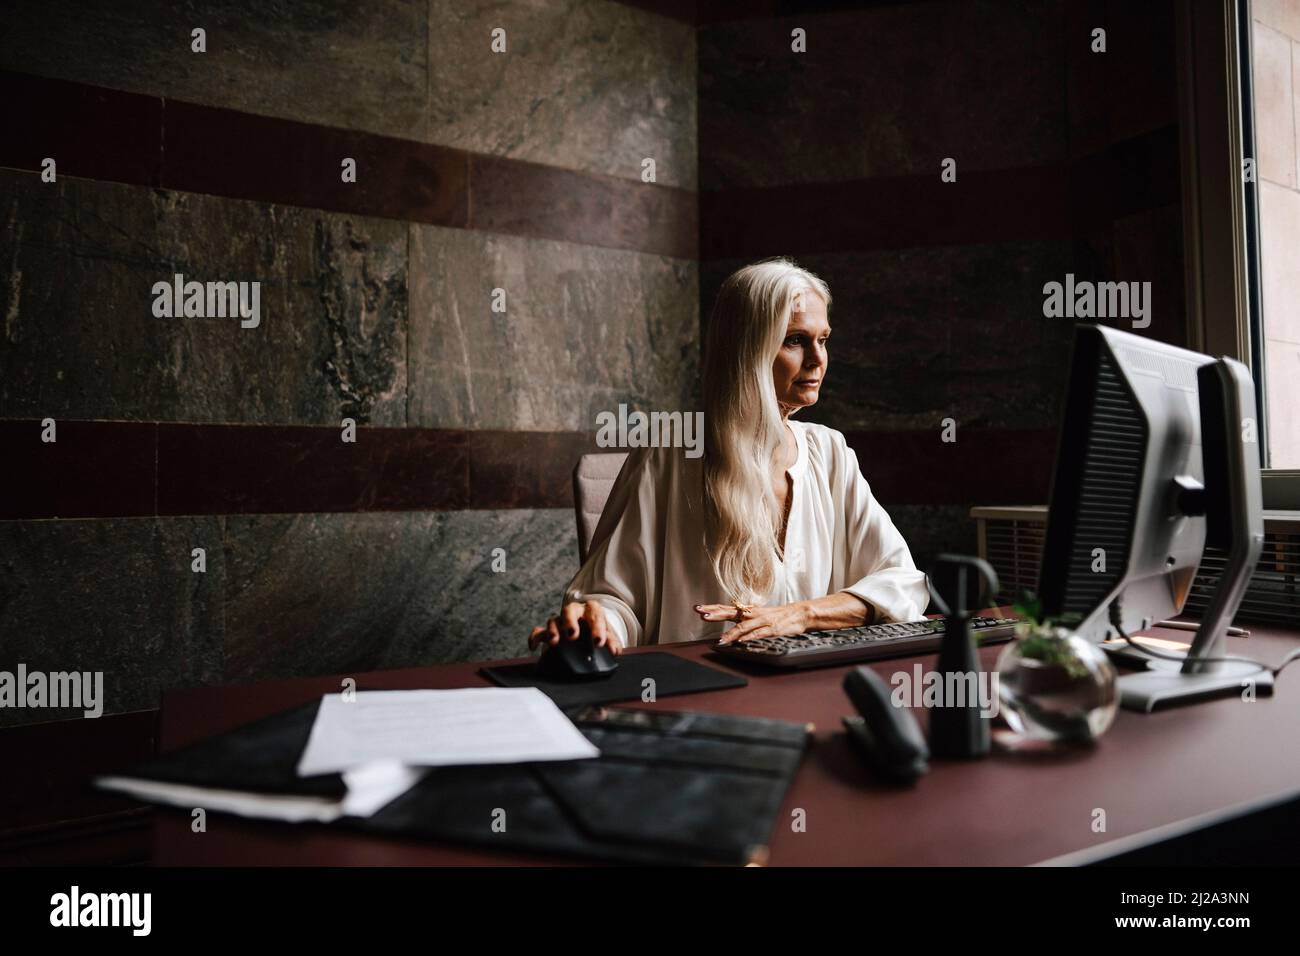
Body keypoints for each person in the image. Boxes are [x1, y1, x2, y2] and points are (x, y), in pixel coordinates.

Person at [528, 257, 929, 655]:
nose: (817, 359)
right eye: (794, 340)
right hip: (704, 687)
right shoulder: (672, 451)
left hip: (808, 683)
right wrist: (594, 623)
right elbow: (615, 600)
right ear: (747, 349)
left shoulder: (829, 453)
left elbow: (901, 583)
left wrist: (801, 615)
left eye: (822, 339)